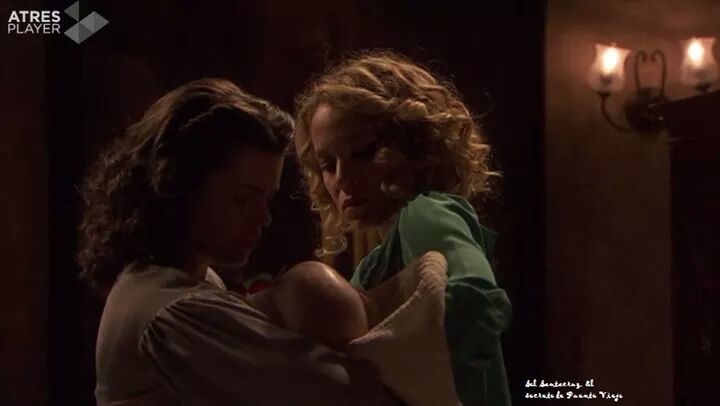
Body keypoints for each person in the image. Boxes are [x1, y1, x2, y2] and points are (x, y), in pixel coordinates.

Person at [79, 78, 403, 405]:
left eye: (267, 199)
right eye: (242, 199)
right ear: (179, 187)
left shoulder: (183, 282)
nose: (264, 218)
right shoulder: (177, 311)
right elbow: (348, 396)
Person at [294, 51, 513, 406]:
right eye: (328, 164)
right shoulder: (369, 267)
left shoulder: (425, 212)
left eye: (362, 153)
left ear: (413, 145)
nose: (343, 179)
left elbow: (477, 301)